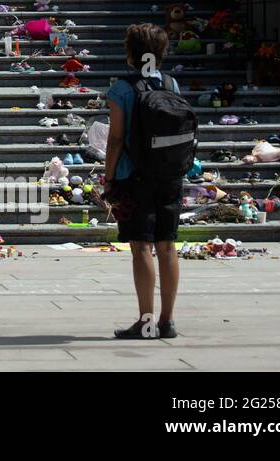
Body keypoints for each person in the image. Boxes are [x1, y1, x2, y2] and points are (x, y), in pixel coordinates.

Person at [104, 23, 185, 339]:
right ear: (162, 54)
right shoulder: (171, 84)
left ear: (130, 54)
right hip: (170, 175)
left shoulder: (121, 90)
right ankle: (167, 321)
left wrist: (109, 179)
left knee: (141, 248)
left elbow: (116, 139)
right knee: (167, 245)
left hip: (134, 176)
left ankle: (145, 320)